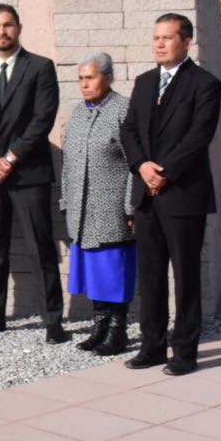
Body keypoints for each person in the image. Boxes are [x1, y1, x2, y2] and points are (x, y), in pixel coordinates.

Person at [120, 13, 221, 376]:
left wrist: (163, 172)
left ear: (186, 41)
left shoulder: (205, 84)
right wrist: (142, 166)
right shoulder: (145, 82)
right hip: (147, 194)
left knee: (185, 275)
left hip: (182, 194)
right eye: (156, 37)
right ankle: (151, 346)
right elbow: (129, 129)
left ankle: (185, 352)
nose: (160, 43)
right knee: (150, 274)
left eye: (167, 37)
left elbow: (198, 137)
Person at [0, 4, 68, 344]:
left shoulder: (39, 67)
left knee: (41, 247)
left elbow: (43, 118)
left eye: (8, 25)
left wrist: (9, 157)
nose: (2, 31)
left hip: (27, 174)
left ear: (18, 28)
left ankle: (53, 320)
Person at [62, 53, 136, 356]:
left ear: (108, 77)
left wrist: (131, 208)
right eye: (80, 78)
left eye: (90, 78)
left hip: (111, 210)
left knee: (113, 273)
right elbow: (69, 161)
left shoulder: (122, 110)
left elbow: (136, 163)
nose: (84, 84)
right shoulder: (80, 112)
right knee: (94, 274)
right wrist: (66, 200)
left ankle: (118, 332)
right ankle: (100, 327)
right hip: (82, 211)